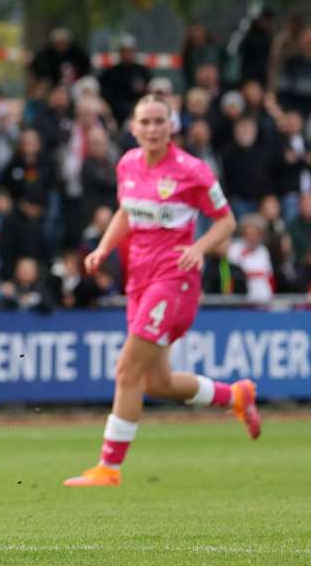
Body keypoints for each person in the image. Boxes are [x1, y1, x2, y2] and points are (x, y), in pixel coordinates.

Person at [64, 94, 259, 488]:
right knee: (157, 383)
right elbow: (126, 212)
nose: (152, 128)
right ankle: (235, 396)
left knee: (127, 369)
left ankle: (108, 467)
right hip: (139, 280)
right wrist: (103, 247)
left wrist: (199, 248)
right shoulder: (128, 164)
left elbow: (226, 221)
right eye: (145, 122)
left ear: (173, 126)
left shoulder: (193, 170)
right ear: (133, 128)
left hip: (175, 281)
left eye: (159, 121)